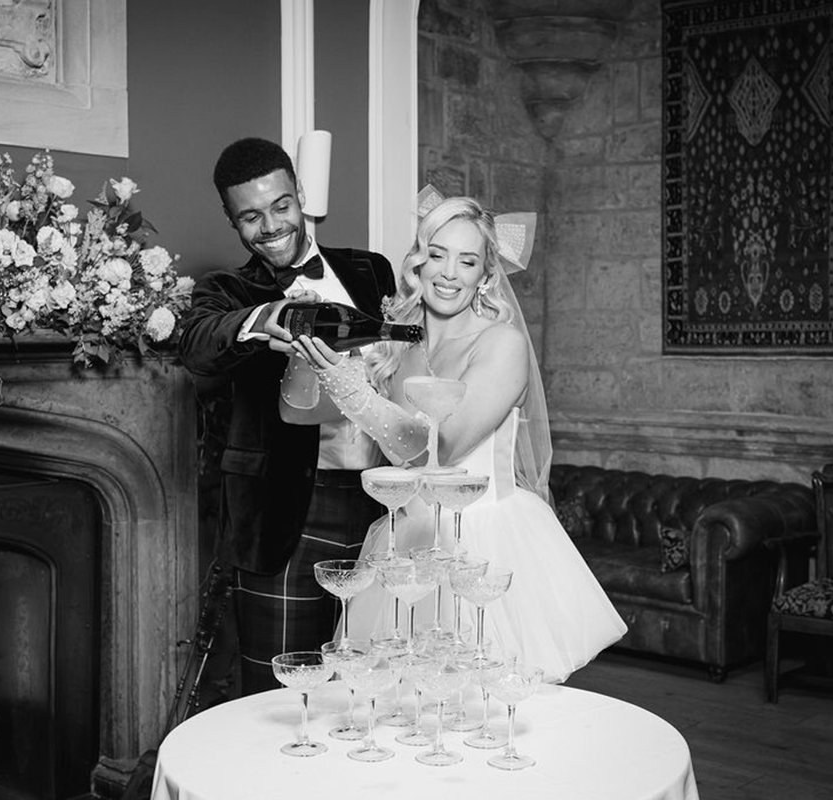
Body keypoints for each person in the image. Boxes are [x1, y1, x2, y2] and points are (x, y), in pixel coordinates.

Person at [281, 194, 626, 682]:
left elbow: (438, 452)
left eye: (467, 261)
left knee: (483, 700)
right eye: (437, 254)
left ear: (485, 275)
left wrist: (349, 387)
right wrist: (302, 337)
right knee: (403, 705)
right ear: (418, 262)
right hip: (406, 545)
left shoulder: (501, 344)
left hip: (485, 543)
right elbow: (296, 413)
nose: (448, 272)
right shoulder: (393, 344)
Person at [176, 137, 397, 695]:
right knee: (281, 694)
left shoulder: (372, 271)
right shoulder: (226, 291)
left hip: (384, 506)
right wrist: (265, 316)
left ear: (300, 196)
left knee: (372, 685)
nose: (270, 226)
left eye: (280, 206)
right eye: (250, 216)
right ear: (232, 222)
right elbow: (199, 342)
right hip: (286, 515)